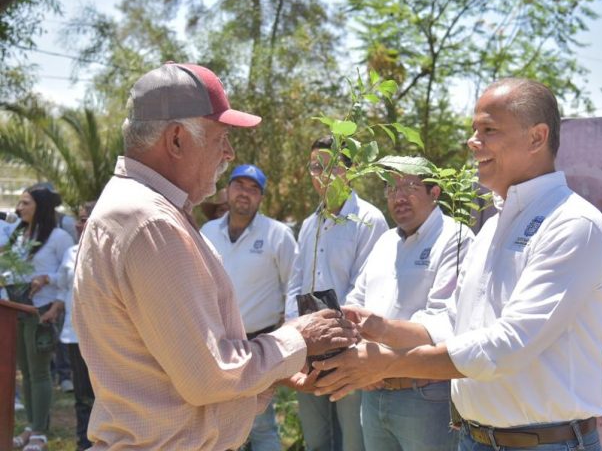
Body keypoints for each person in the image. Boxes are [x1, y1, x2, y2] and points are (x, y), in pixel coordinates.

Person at [313, 78, 602, 451]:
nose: (472, 143)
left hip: (546, 443)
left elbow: (509, 345)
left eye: (489, 130)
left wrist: (389, 363)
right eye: (474, 130)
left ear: (537, 138)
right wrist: (384, 329)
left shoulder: (574, 226)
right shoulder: (493, 226)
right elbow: (455, 323)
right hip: (475, 439)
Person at [72, 62, 357, 451]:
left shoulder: (141, 210)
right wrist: (299, 338)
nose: (229, 152)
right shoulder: (150, 221)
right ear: (175, 140)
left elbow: (180, 374)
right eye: (219, 137)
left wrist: (272, 370)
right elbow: (207, 377)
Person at [344, 168, 473, 451]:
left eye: (409, 188)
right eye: (391, 189)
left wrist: (381, 342)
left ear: (435, 193)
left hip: (425, 394)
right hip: (373, 391)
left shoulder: (455, 238)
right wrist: (360, 353)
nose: (398, 197)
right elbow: (357, 300)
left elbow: (443, 325)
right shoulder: (385, 241)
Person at [285, 135, 388, 451]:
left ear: (350, 170)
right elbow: (296, 283)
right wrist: (296, 337)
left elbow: (365, 286)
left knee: (353, 441)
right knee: (317, 438)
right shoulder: (309, 224)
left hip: (349, 348)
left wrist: (334, 337)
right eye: (315, 167)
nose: (322, 175)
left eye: (330, 167)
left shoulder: (369, 220)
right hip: (307, 349)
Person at [200, 164, 298, 451]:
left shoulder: (277, 234)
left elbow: (293, 285)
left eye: (254, 189)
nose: (245, 193)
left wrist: (288, 334)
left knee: (261, 421)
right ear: (227, 191)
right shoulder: (207, 231)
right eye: (240, 185)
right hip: (216, 341)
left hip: (259, 340)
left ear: (261, 198)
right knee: (216, 421)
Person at [10, 186, 74, 451]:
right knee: (24, 371)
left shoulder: (59, 237)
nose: (19, 207)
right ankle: (30, 426)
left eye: (26, 203)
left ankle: (40, 432)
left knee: (39, 372)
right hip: (18, 309)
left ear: (41, 207)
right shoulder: (19, 236)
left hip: (42, 311)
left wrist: (48, 282)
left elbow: (70, 274)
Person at [57, 201, 97, 451]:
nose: (78, 224)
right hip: (74, 335)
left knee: (106, 397)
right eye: (78, 219)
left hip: (102, 337)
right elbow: (64, 286)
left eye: (84, 219)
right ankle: (84, 444)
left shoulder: (109, 250)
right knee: (83, 397)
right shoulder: (71, 252)